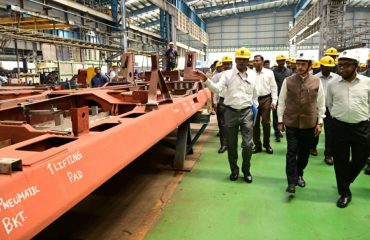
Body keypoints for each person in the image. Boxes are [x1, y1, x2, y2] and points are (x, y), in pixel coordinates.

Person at [195, 47, 257, 183]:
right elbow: (217, 88)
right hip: (230, 112)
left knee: (247, 145)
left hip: (246, 112)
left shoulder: (253, 75)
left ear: (248, 61)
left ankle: (246, 170)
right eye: (239, 59)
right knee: (232, 144)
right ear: (235, 60)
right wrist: (205, 79)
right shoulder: (227, 75)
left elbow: (255, 94)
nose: (241, 61)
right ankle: (234, 170)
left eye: (244, 59)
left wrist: (255, 107)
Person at [326, 49, 370, 208]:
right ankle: (344, 192)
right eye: (340, 65)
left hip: (362, 127)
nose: (341, 68)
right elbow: (329, 104)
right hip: (339, 127)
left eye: (346, 65)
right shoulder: (332, 84)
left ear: (356, 66)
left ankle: (345, 180)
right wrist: (338, 117)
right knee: (340, 161)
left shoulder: (367, 83)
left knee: (361, 158)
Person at [277, 52, 325, 194]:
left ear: (309, 66)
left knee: (304, 153)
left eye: (303, 64)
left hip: (309, 123)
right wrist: (280, 120)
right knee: (291, 152)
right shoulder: (288, 81)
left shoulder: (316, 81)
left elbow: (320, 103)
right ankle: (291, 181)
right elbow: (281, 101)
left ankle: (299, 174)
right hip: (291, 122)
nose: (299, 67)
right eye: (298, 64)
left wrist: (320, 121)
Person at [309, 56, 341, 165]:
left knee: (330, 132)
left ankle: (328, 154)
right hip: (316, 108)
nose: (328, 69)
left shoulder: (337, 78)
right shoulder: (314, 78)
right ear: (321, 66)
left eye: (330, 67)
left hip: (331, 109)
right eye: (326, 67)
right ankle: (312, 147)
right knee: (315, 130)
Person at [252, 55, 277, 154]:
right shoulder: (250, 73)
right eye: (254, 61)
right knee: (255, 124)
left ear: (262, 62)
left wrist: (274, 101)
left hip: (266, 99)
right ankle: (257, 145)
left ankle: (267, 144)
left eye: (257, 60)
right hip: (253, 100)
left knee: (266, 123)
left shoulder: (269, 73)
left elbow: (273, 87)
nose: (255, 62)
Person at [214, 56, 233, 154]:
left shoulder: (236, 74)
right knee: (222, 125)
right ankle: (223, 144)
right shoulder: (218, 76)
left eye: (228, 63)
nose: (226, 65)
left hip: (233, 102)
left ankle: (231, 144)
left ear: (231, 64)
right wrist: (215, 101)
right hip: (222, 101)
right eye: (224, 64)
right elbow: (215, 90)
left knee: (232, 125)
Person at [272, 54, 292, 142]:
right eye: (279, 61)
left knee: (287, 115)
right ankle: (277, 133)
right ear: (277, 62)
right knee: (276, 115)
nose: (281, 62)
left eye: (283, 60)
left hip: (288, 97)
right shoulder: (273, 72)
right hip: (276, 96)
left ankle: (287, 130)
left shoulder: (289, 71)